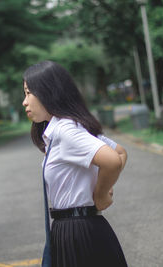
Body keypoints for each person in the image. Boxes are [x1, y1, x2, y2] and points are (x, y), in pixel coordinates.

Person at [22, 61, 128, 267]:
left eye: (28, 93)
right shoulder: (65, 129)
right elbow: (120, 152)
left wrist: (100, 193)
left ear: (48, 92)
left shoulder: (65, 131)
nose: (25, 102)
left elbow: (114, 160)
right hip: (75, 230)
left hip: (78, 233)